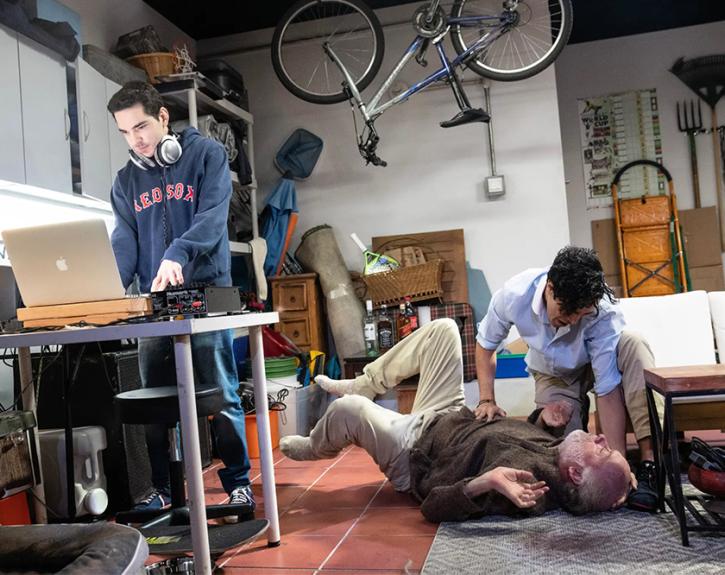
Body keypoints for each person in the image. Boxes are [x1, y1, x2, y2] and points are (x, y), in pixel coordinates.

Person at [281, 319, 631, 522]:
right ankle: (365, 381)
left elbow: (433, 505)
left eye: (602, 452)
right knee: (444, 330)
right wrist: (542, 419)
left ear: (575, 474)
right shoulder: (559, 454)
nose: (602, 440)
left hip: (413, 448)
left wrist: (484, 483)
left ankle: (314, 446)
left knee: (350, 410)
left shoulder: (526, 491)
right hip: (450, 414)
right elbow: (516, 443)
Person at [107, 81, 254, 518]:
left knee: (221, 395)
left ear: (164, 118)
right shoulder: (126, 181)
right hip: (154, 304)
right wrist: (109, 289)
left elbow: (211, 220)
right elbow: (125, 243)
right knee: (154, 400)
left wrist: (178, 253)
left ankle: (238, 484)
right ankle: (163, 490)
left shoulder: (207, 155)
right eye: (126, 132)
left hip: (207, 295)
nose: (137, 139)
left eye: (142, 126)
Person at [474, 246, 657, 511]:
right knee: (568, 461)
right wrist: (486, 399)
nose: (571, 321)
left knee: (633, 344)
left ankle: (650, 463)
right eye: (566, 310)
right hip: (554, 373)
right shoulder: (514, 295)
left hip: (598, 364)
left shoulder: (601, 311)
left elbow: (607, 388)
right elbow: (486, 344)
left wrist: (618, 466)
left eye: (579, 314)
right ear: (550, 288)